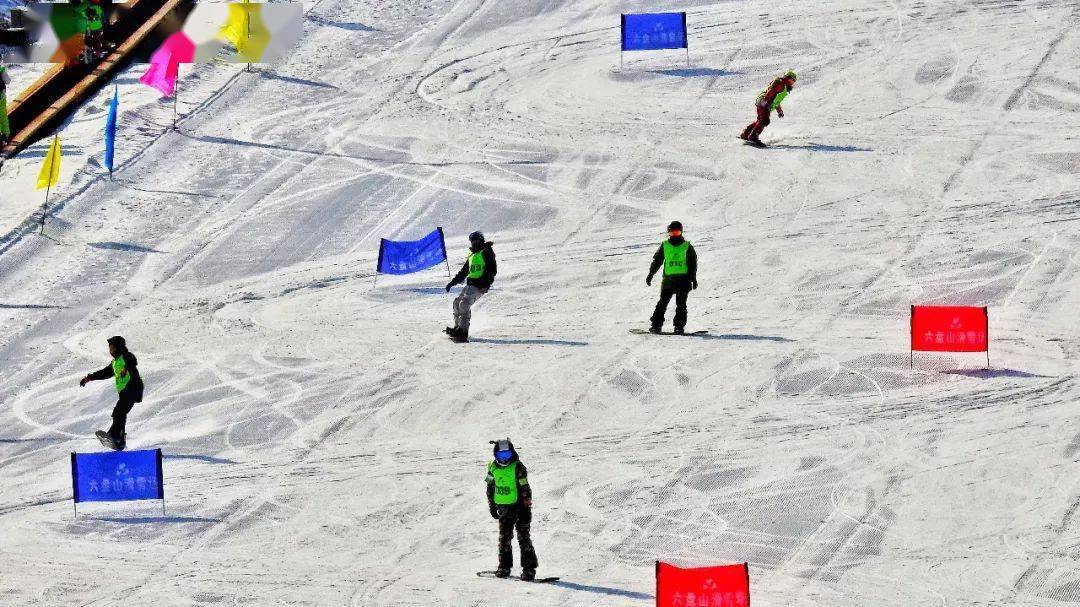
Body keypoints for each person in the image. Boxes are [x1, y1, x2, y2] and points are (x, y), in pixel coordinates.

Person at [485, 438, 538, 580]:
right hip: (504, 508)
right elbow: (490, 486)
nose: (504, 459)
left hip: (520, 507)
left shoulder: (518, 466)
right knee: (504, 538)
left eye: (507, 455)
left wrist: (526, 505)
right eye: (501, 456)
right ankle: (504, 567)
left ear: (512, 453)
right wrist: (492, 505)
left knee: (523, 537)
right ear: (495, 455)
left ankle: (529, 569)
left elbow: (525, 487)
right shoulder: (492, 467)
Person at [79, 336, 143, 450]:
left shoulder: (125, 357)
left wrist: (126, 367)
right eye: (110, 347)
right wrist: (89, 378)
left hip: (132, 389)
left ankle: (115, 436)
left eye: (112, 347)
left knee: (119, 412)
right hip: (125, 392)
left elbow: (132, 360)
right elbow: (104, 373)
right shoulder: (115, 363)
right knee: (119, 413)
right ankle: (119, 438)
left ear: (118, 347)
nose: (110, 350)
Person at [645, 221, 698, 334]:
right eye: (672, 233)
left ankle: (679, 326)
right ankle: (656, 325)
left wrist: (693, 278)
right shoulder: (665, 245)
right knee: (662, 303)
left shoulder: (687, 246)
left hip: (684, 280)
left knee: (681, 304)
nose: (675, 235)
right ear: (668, 233)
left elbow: (693, 263)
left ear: (681, 232)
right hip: (668, 280)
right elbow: (657, 261)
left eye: (677, 232)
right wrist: (651, 273)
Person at [444, 231, 496, 343]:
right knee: (457, 302)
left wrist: (485, 282)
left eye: (476, 240)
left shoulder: (486, 251)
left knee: (464, 303)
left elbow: (492, 270)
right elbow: (463, 272)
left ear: (481, 240)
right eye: (472, 241)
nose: (474, 243)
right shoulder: (472, 254)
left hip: (480, 285)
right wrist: (452, 283)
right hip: (471, 284)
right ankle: (457, 327)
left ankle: (463, 331)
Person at [739, 69, 797, 144]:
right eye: (791, 79)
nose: (792, 82)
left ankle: (745, 134)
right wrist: (765, 100)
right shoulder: (780, 83)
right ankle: (753, 136)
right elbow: (771, 91)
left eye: (794, 81)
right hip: (765, 102)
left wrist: (779, 111)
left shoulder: (784, 87)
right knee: (764, 120)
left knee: (760, 120)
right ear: (787, 77)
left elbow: (776, 100)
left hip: (765, 102)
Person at [0, 60, 10, 146]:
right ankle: (5, 135)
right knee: (3, 115)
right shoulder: (1, 70)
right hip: (1, 96)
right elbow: (8, 81)